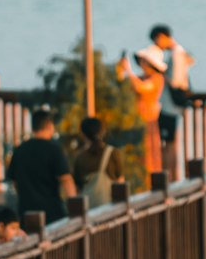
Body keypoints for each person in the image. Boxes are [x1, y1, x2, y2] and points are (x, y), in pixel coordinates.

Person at [6, 108, 75, 226]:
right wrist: (74, 207)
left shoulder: (19, 150)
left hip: (26, 213)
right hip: (52, 213)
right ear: (49, 125)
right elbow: (66, 180)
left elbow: (15, 183)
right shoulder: (54, 149)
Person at [149, 24, 195, 180]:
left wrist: (161, 73)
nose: (157, 45)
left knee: (168, 145)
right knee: (170, 144)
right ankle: (172, 178)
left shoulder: (176, 54)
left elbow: (175, 82)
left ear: (162, 37)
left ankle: (169, 179)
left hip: (169, 107)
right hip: (174, 107)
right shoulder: (180, 53)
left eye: (157, 41)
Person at [116, 47, 166, 185]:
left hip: (148, 119)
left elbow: (140, 88)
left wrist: (128, 70)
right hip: (136, 119)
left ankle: (150, 182)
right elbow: (125, 83)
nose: (142, 63)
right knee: (137, 152)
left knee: (148, 153)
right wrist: (121, 69)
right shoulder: (141, 77)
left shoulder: (157, 78)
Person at [72, 116, 123, 208]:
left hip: (89, 210)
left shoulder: (79, 157)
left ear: (83, 134)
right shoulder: (112, 152)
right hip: (111, 208)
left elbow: (77, 187)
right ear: (102, 132)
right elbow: (120, 180)